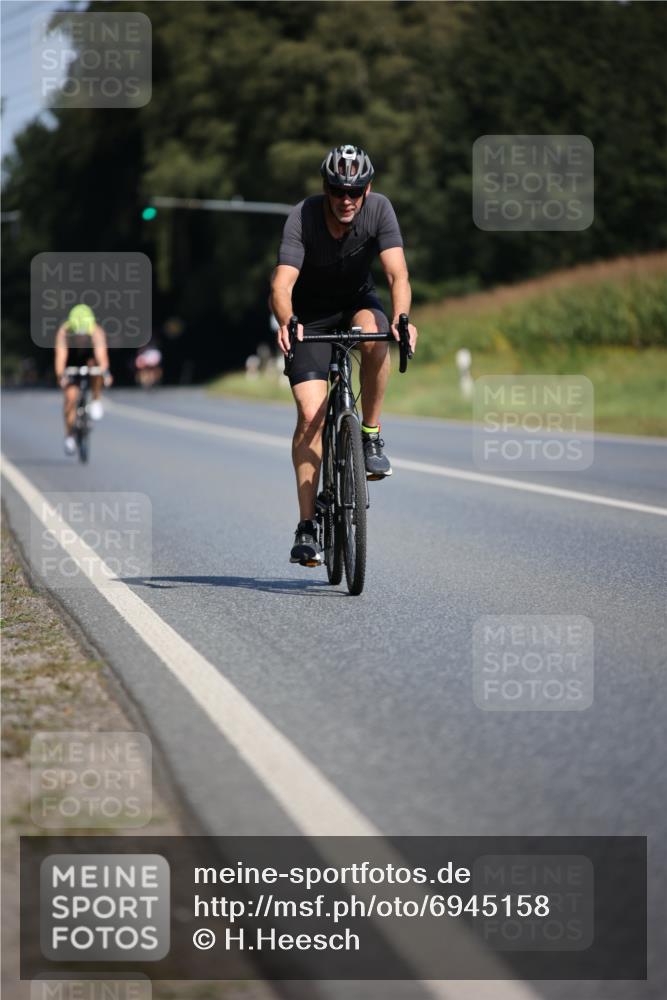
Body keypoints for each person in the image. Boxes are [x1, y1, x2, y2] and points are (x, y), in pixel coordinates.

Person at [271, 144, 418, 566]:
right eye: (338, 191)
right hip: (309, 319)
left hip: (356, 304)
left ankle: (369, 434)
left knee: (375, 333)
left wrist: (403, 317)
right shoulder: (303, 216)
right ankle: (306, 526)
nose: (347, 200)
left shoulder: (380, 210)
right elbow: (281, 284)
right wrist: (288, 318)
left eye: (355, 191)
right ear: (326, 188)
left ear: (368, 189)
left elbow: (397, 273)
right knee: (309, 414)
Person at [54, 304, 112, 455]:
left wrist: (105, 372)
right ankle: (69, 436)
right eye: (77, 335)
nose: (80, 338)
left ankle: (96, 399)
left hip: (89, 360)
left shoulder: (96, 332)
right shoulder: (64, 332)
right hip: (71, 362)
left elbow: (102, 357)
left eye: (83, 335)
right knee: (71, 398)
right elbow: (61, 358)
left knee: (97, 371)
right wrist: (61, 376)